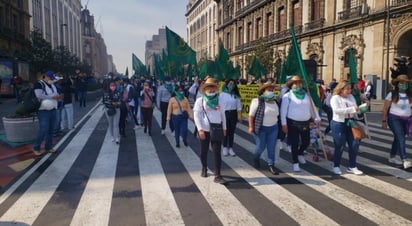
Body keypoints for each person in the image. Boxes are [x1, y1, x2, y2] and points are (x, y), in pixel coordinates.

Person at [280, 76, 320, 172]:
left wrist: (317, 119)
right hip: (292, 123)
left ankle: (300, 153)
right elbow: (283, 111)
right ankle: (295, 163)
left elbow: (313, 108)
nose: (298, 85)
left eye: (299, 83)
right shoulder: (287, 96)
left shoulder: (307, 95)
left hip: (305, 123)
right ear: (291, 85)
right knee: (294, 143)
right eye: (295, 83)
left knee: (306, 142)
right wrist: (283, 124)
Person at [193, 78, 227, 184]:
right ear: (205, 89)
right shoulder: (200, 100)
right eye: (209, 88)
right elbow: (196, 115)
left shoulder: (220, 100)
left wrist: (224, 128)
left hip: (217, 129)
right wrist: (200, 130)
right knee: (204, 151)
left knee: (217, 152)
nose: (211, 90)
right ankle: (204, 167)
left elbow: (223, 115)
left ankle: (218, 175)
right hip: (205, 130)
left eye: (213, 88)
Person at [330, 80, 365, 175]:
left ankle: (352, 166)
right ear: (341, 89)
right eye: (347, 89)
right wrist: (352, 109)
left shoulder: (351, 97)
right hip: (339, 123)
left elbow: (355, 109)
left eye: (350, 89)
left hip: (351, 122)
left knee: (354, 144)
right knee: (340, 146)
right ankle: (336, 166)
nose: (349, 91)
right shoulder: (335, 98)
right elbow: (336, 110)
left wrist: (360, 109)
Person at [248, 81, 279, 175]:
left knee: (271, 147)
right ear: (263, 91)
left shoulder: (275, 101)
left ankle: (271, 165)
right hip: (260, 128)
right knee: (261, 146)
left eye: (272, 90)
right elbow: (251, 115)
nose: (271, 92)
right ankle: (256, 158)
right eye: (269, 90)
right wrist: (250, 127)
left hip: (273, 127)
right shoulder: (257, 101)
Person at [382, 74, 412, 169]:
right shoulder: (392, 94)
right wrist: (384, 121)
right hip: (394, 119)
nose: (404, 84)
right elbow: (385, 108)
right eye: (402, 82)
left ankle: (392, 156)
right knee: (401, 137)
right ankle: (404, 159)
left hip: (406, 119)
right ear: (398, 83)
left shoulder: (410, 94)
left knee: (397, 138)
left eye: (405, 83)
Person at [32, 71, 62, 155]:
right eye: (50, 78)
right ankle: (36, 147)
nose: (51, 80)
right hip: (43, 110)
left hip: (53, 109)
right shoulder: (39, 84)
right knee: (43, 129)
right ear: (45, 77)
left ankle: (48, 147)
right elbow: (39, 95)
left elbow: (55, 94)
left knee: (51, 130)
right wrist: (52, 96)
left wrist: (58, 97)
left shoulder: (52, 85)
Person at [220, 79, 242, 156]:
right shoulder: (222, 94)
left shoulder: (236, 95)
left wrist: (240, 116)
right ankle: (225, 147)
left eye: (233, 84)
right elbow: (220, 106)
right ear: (227, 84)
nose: (231, 85)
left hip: (233, 114)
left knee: (231, 132)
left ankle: (231, 148)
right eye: (230, 83)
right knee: (225, 131)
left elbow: (239, 106)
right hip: (225, 114)